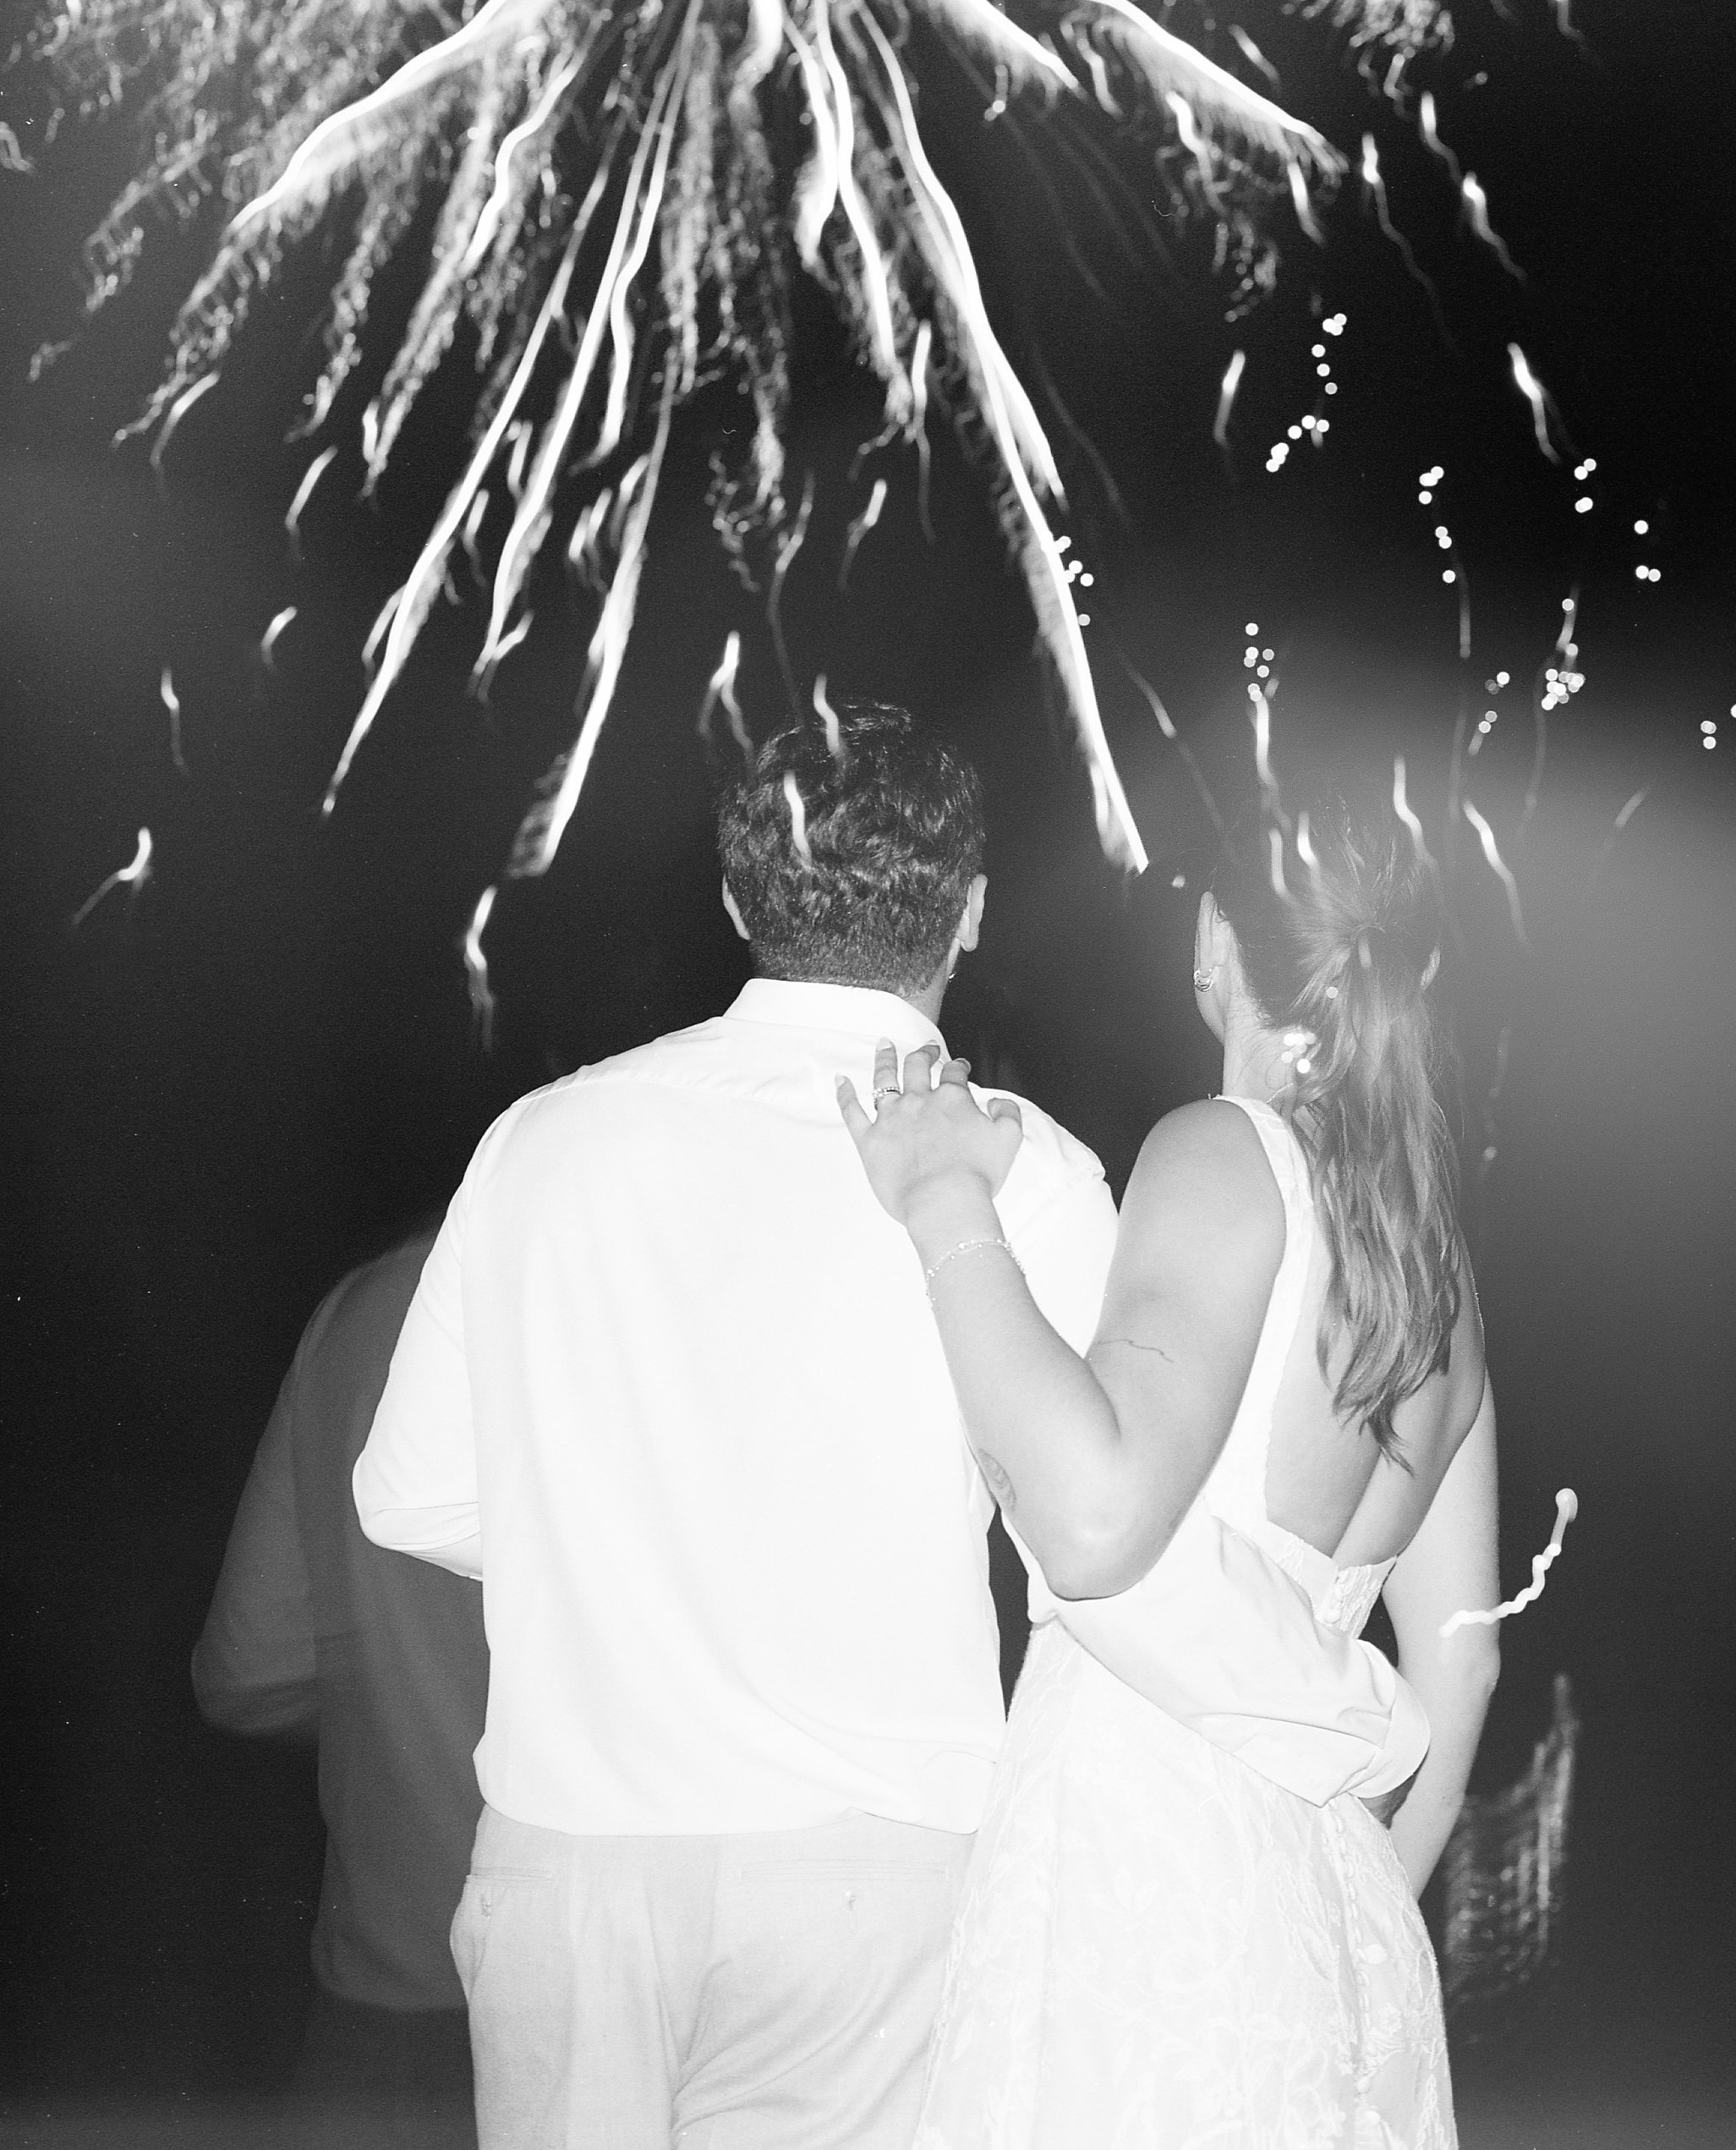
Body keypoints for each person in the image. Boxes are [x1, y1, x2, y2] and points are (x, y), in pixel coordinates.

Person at [352, 706, 1432, 2150]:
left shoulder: (537, 1143)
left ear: (737, 896)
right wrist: (1350, 1710)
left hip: (577, 1855)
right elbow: (1111, 1537)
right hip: (879, 1874)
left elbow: (409, 1493)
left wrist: (632, 1547)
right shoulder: (1031, 1172)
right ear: (970, 909)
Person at [837, 782, 1503, 2149]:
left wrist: (945, 1199)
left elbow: (1094, 1521)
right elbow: (1468, 1668)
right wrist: (1352, 1922)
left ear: (1214, 939)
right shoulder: (1445, 1284)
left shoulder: (1220, 1151)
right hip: (1340, 1899)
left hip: (1138, 1863)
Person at [192, 1228, 487, 2131]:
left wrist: (402, 1714)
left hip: (394, 1987)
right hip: (670, 1989)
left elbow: (248, 1670)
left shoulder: (365, 1306)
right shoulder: (705, 1276)